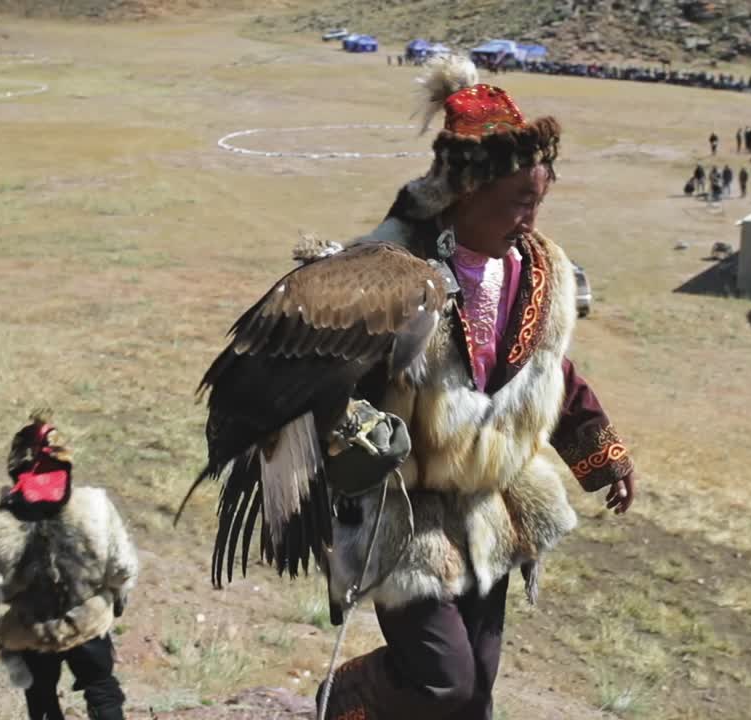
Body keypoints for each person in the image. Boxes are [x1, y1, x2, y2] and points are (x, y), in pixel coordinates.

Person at [184, 57, 637, 720]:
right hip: (404, 513)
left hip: (489, 504)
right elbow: (317, 394)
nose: (530, 219)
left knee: (477, 690)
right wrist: (345, 443)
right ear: (463, 193)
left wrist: (603, 455)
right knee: (439, 682)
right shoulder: (392, 276)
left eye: (538, 202)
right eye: (518, 202)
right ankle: (344, 700)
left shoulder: (540, 270)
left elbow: (550, 375)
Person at [0, 415, 139, 720]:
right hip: (87, 620)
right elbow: (122, 566)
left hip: (29, 629)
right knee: (102, 690)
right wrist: (117, 600)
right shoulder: (95, 505)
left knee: (41, 702)